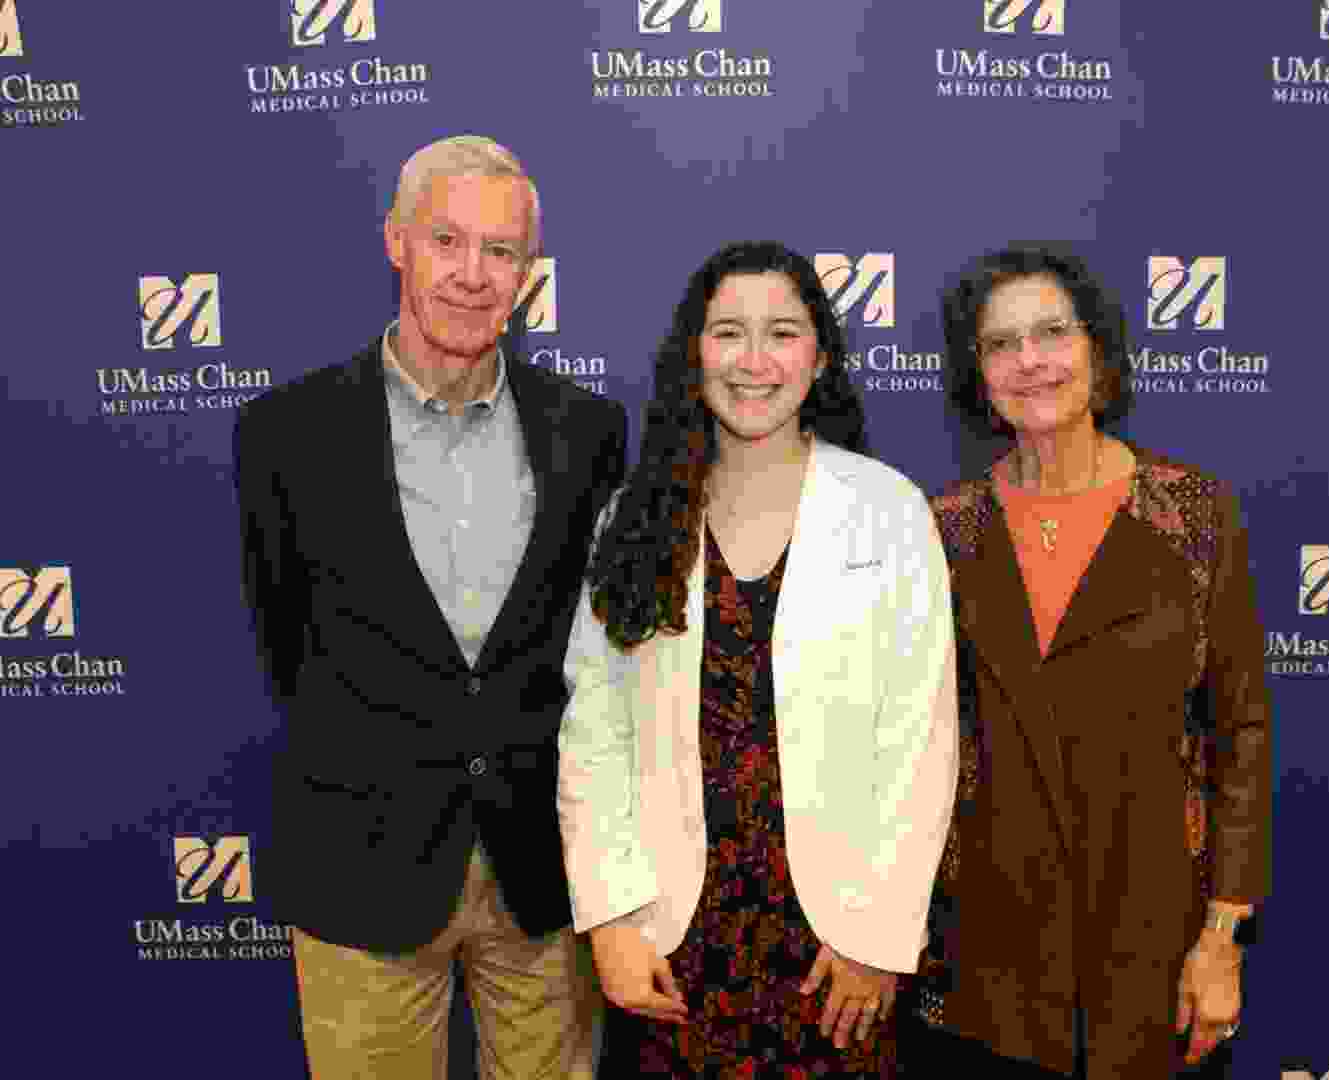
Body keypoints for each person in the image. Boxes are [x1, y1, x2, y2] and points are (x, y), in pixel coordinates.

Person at [234, 135, 624, 1079]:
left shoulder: (589, 432)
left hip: (543, 867)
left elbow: (595, 653)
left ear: (528, 272)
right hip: (361, 858)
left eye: (501, 252)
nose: (472, 274)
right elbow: (284, 637)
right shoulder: (287, 433)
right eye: (447, 240)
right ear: (396, 242)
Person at [556, 240, 959, 1078]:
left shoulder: (888, 510)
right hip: (670, 943)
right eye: (727, 333)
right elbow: (593, 736)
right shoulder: (637, 516)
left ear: (819, 357)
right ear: (692, 353)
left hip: (835, 951)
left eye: (782, 332)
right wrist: (611, 921)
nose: (754, 360)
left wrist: (879, 939)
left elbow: (921, 746)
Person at [915, 245, 1272, 1078]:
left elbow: (1241, 735)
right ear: (978, 375)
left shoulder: (1195, 514)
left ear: (1098, 350)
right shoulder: (943, 531)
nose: (1029, 361)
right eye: (1001, 344)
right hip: (987, 980)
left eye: (1051, 333)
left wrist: (1222, 937)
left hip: (1156, 967)